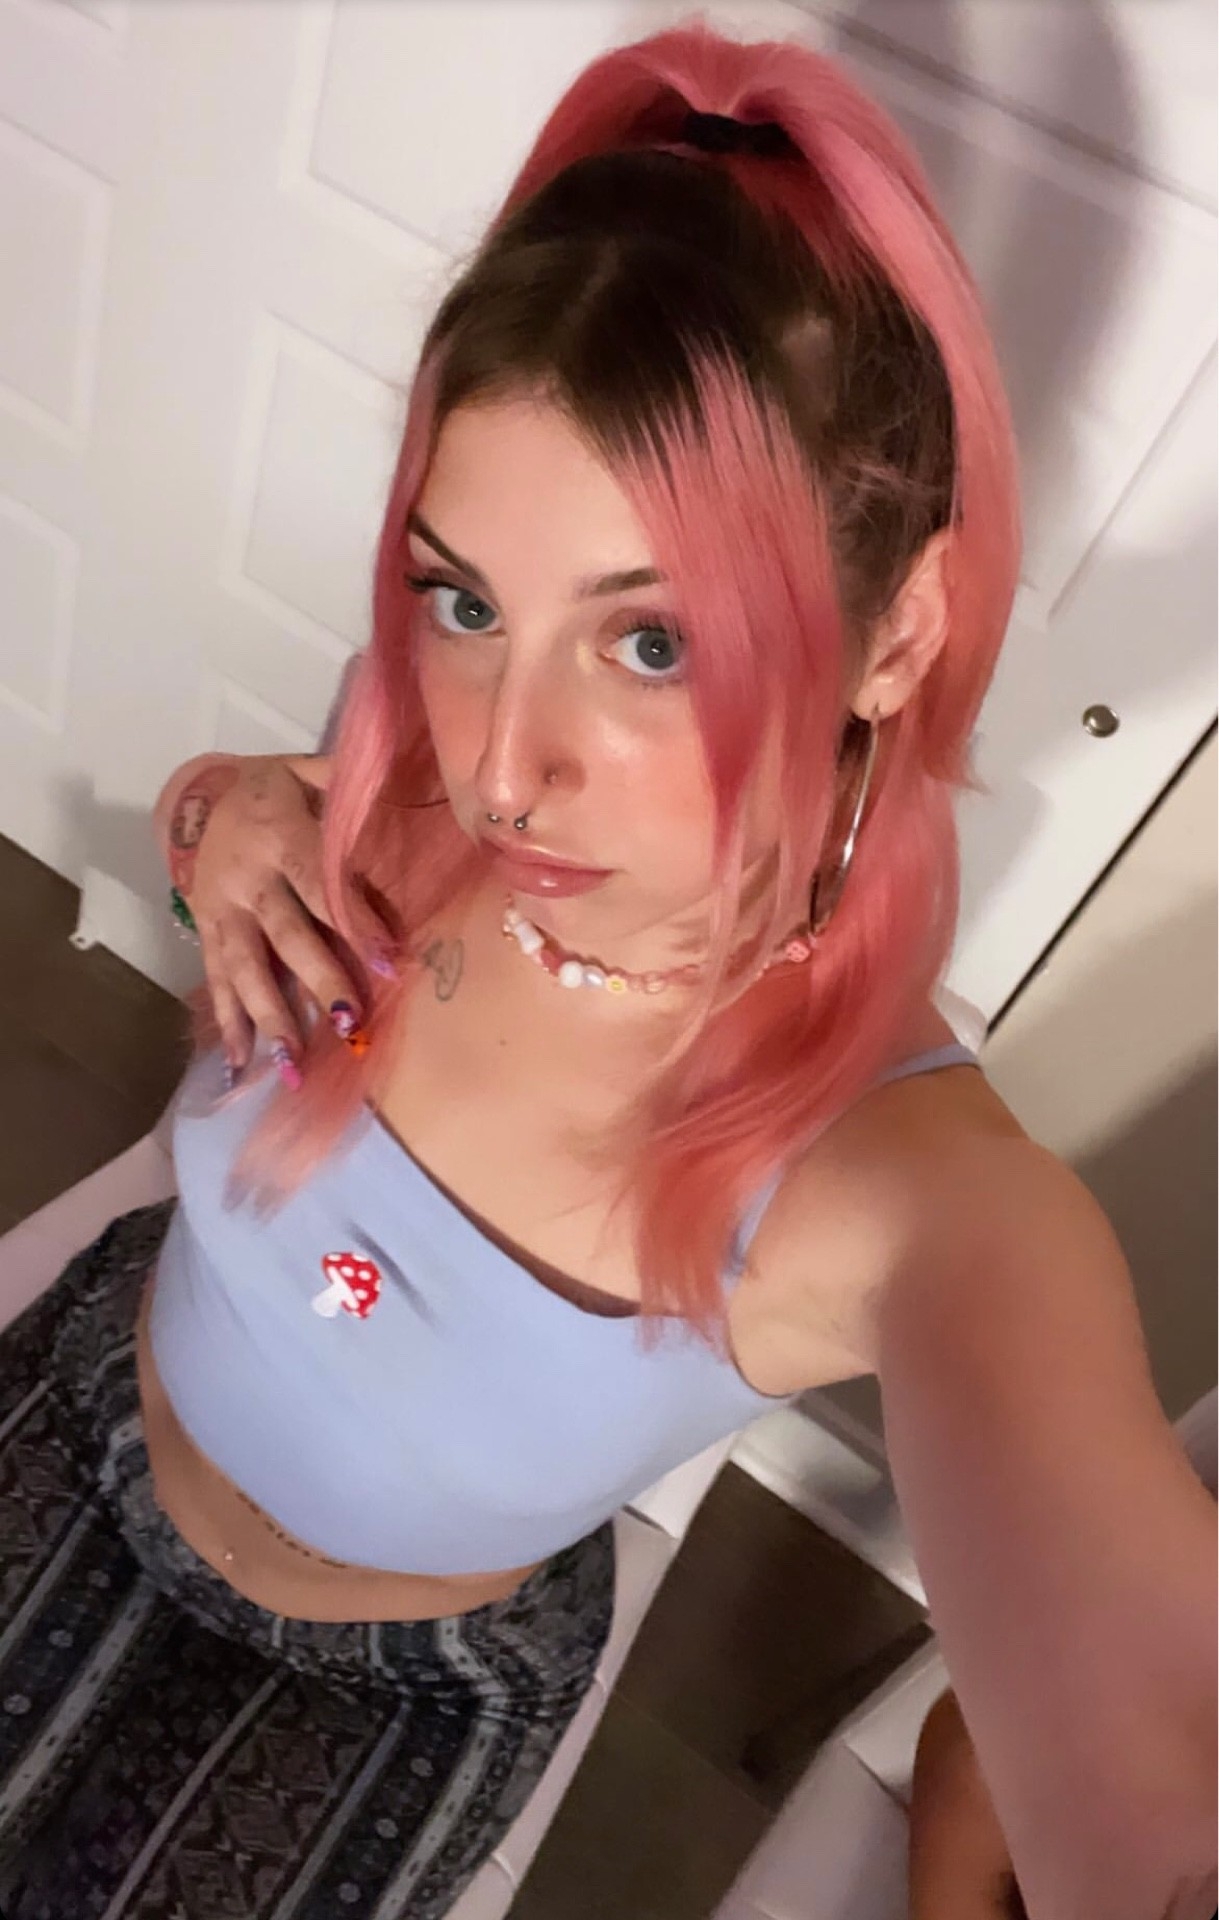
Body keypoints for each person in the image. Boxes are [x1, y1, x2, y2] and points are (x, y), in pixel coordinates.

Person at [0, 21, 1213, 1920]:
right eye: (465, 600)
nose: (502, 766)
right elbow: (249, 808)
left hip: (389, 1687)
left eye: (653, 643)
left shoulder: (911, 1200)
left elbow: (1165, 1768)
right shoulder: (404, 766)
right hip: (88, 1402)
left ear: (897, 637)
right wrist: (215, 817)